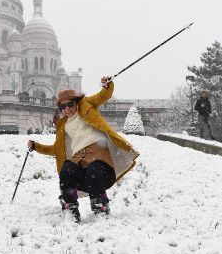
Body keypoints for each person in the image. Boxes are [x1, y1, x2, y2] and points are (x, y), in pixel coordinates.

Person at [27, 76, 140, 222]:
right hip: (79, 158)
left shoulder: (86, 105)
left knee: (94, 169)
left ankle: (100, 205)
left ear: (76, 101)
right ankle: (70, 206)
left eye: (70, 104)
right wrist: (36, 146)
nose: (67, 109)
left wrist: (107, 85)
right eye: (63, 106)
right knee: (66, 169)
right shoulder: (63, 125)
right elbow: (57, 149)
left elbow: (103, 96)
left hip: (98, 154)